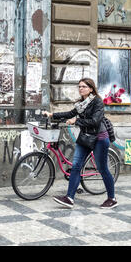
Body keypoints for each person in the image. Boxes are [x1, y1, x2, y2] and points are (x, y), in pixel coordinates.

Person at [42, 78, 118, 209]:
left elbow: (95, 121)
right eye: (79, 87)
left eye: (83, 86)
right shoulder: (81, 104)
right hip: (85, 138)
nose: (80, 89)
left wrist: (76, 122)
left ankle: (112, 198)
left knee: (102, 169)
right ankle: (69, 198)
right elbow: (70, 113)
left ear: (91, 89)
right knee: (76, 166)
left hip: (99, 138)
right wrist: (52, 114)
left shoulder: (98, 102)